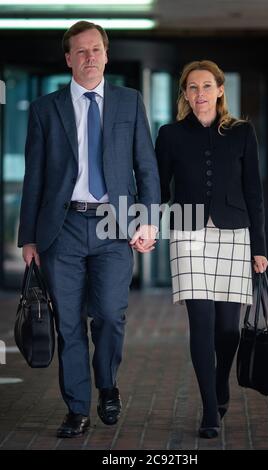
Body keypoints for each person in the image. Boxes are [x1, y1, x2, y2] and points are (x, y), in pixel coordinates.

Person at [18, 20, 160, 438]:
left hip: (114, 227)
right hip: (61, 229)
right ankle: (77, 408)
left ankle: (108, 386)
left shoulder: (129, 101)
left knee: (111, 317)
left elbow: (146, 167)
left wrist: (147, 219)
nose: (89, 58)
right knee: (69, 325)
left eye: (95, 49)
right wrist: (28, 236)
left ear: (106, 54)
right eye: (80, 51)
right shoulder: (47, 108)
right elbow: (35, 178)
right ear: (68, 59)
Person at [155, 60, 268, 439]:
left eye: (206, 86)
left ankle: (221, 382)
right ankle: (209, 409)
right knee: (200, 324)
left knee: (227, 330)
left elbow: (254, 192)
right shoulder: (170, 134)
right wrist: (146, 223)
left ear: (220, 90)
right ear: (184, 94)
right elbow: (159, 188)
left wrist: (260, 246)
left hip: (235, 233)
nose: (199, 94)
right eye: (192, 87)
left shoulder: (241, 133)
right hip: (187, 234)